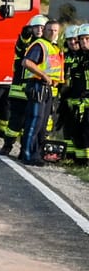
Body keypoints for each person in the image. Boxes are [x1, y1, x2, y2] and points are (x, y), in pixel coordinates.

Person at [17, 18, 65, 165]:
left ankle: (35, 154)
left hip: (48, 88)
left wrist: (56, 80)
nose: (52, 33)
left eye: (55, 30)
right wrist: (44, 75)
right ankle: (27, 154)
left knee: (42, 124)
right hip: (38, 85)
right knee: (35, 121)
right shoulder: (40, 45)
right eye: (50, 30)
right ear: (44, 30)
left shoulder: (55, 47)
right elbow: (26, 62)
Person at [0, 14, 45, 151]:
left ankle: (24, 150)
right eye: (36, 27)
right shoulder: (26, 43)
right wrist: (25, 35)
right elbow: (21, 46)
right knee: (15, 121)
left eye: (42, 27)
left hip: (35, 89)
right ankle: (7, 146)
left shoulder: (46, 46)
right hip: (19, 89)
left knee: (30, 122)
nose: (39, 30)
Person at [62, 24, 89, 164]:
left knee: (85, 132)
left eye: (87, 39)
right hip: (77, 101)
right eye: (81, 40)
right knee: (77, 132)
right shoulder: (80, 57)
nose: (83, 42)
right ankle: (80, 161)